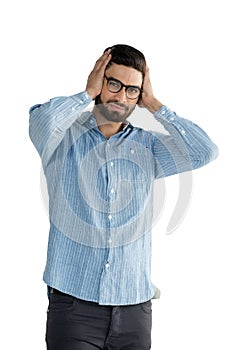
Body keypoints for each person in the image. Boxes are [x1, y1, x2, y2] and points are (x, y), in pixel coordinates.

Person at [29, 44, 218, 350]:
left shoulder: (149, 147)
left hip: (135, 312)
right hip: (74, 309)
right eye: (114, 84)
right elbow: (40, 120)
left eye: (132, 90)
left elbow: (204, 151)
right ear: (100, 79)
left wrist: (155, 104)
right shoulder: (63, 138)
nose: (121, 97)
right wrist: (86, 94)